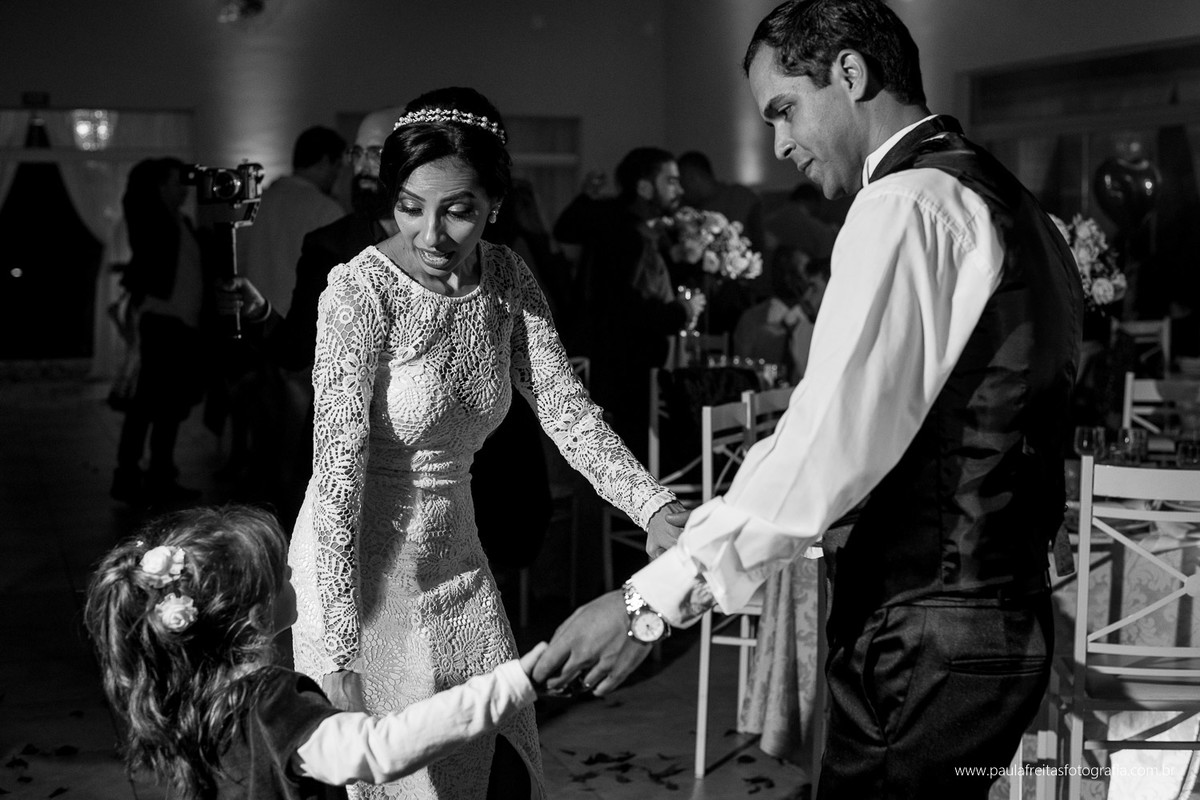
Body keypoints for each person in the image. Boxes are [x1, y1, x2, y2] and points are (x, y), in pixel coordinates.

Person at [534, 2, 1083, 797]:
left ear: (851, 73)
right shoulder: (1006, 199)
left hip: (929, 621)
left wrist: (647, 604)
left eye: (785, 109)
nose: (780, 143)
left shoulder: (906, 204)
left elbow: (826, 441)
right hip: (996, 617)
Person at [286, 87, 688, 800]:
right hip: (361, 578)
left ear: (495, 204)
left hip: (459, 564)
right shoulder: (357, 294)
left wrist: (651, 506)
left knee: (500, 765)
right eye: (411, 206)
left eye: (458, 209)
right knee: (411, 783)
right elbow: (338, 474)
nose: (431, 233)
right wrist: (338, 646)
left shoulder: (505, 278)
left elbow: (566, 411)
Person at [84, 504, 546, 800]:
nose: (294, 577)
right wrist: (513, 682)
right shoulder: (273, 702)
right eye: (284, 575)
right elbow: (379, 751)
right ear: (255, 612)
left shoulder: (195, 694)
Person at [553, 147, 707, 461]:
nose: (680, 190)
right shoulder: (623, 230)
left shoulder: (651, 229)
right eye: (671, 181)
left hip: (640, 365)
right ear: (645, 186)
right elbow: (628, 306)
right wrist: (681, 312)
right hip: (625, 367)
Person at [111, 157, 207, 505]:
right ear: (159, 186)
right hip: (165, 324)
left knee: (163, 406)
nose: (184, 190)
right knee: (154, 406)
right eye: (177, 182)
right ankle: (144, 476)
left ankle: (151, 475)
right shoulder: (152, 219)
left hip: (177, 324)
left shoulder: (177, 221)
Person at [732, 246, 829, 383]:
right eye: (782, 270)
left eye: (797, 272)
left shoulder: (821, 321)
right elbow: (740, 372)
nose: (787, 278)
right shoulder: (751, 319)